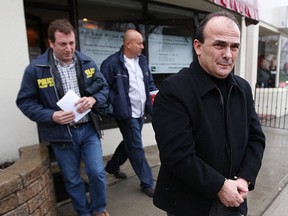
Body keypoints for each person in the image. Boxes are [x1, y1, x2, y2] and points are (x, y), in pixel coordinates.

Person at [152, 11, 265, 216]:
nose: (228, 54)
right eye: (219, 45)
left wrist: (245, 179)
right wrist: (220, 186)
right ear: (198, 46)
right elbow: (178, 155)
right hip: (190, 205)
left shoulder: (243, 89)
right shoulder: (174, 90)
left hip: (236, 200)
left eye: (234, 46)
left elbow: (256, 138)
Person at [16, 19, 109, 216]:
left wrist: (93, 99)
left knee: (97, 173)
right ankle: (83, 212)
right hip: (61, 134)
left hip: (88, 129)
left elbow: (105, 89)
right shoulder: (36, 69)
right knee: (72, 179)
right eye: (62, 44)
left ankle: (99, 209)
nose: (68, 49)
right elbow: (25, 102)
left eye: (72, 43)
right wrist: (51, 116)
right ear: (51, 43)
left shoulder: (87, 62)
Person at [100, 29, 158, 197]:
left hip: (141, 112)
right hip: (126, 113)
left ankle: (112, 167)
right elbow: (103, 88)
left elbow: (150, 84)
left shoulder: (142, 61)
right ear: (128, 44)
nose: (142, 46)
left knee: (129, 142)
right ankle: (147, 182)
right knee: (136, 147)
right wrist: (116, 101)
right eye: (139, 43)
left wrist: (155, 96)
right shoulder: (111, 63)